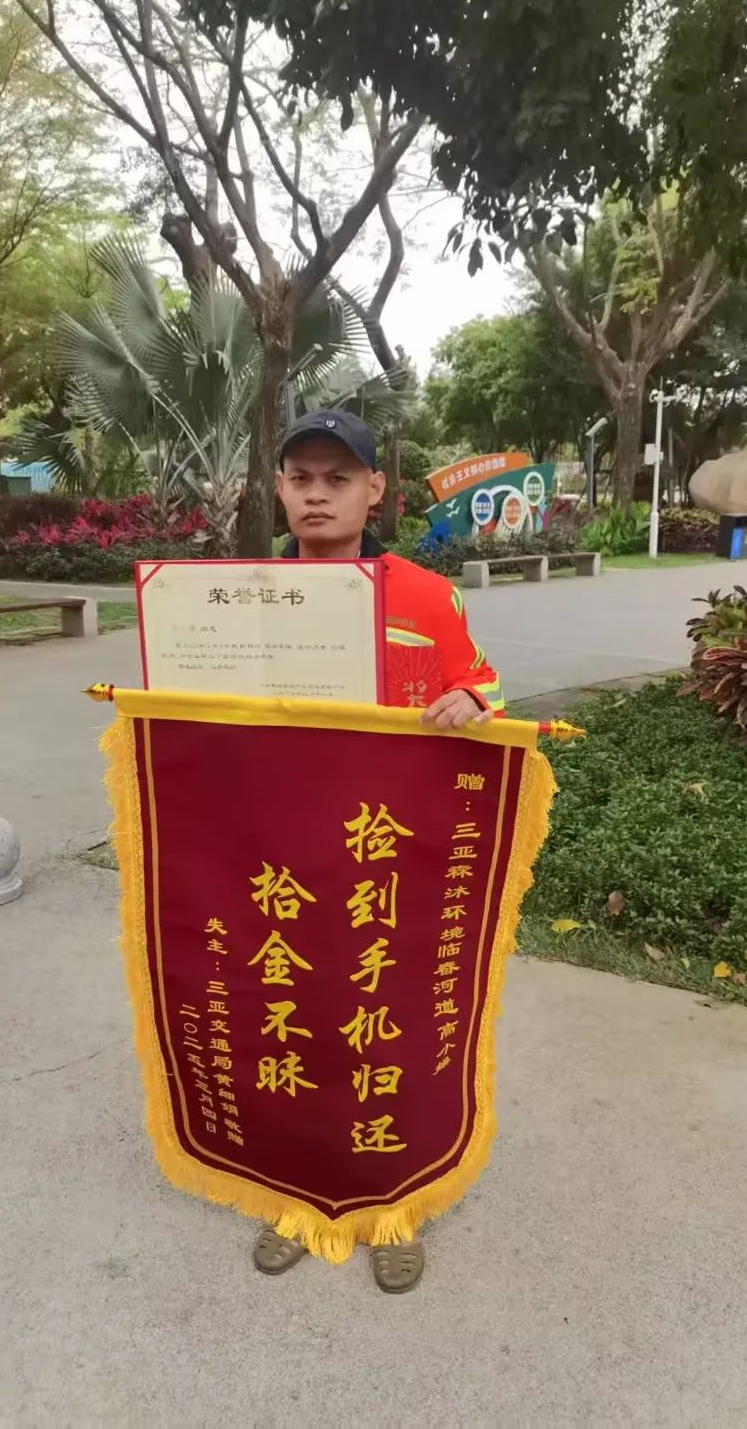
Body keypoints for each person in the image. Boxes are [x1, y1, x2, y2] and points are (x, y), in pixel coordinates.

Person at [252, 408, 505, 1293]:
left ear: (374, 490)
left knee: (386, 1029)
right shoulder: (235, 598)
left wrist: (475, 702)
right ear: (279, 489)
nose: (317, 495)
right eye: (300, 478)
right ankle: (300, 1193)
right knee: (291, 1022)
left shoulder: (427, 597)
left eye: (338, 478)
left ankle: (394, 1201)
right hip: (281, 859)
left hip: (389, 862)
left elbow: (480, 682)